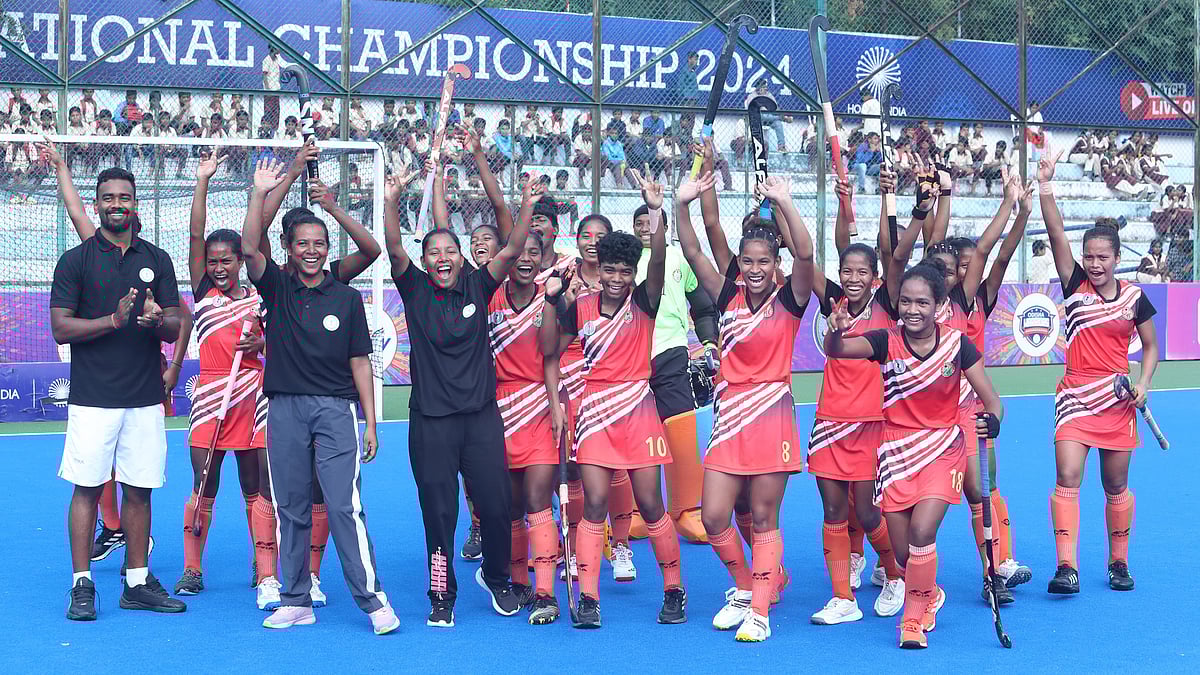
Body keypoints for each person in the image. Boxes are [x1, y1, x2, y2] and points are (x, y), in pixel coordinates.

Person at [240, 158, 398, 635]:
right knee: (290, 505)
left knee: (343, 505)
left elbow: (360, 363)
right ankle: (295, 598)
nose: (311, 251)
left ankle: (372, 602)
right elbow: (249, 246)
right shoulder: (278, 286)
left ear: (329, 249)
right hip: (284, 407)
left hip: (335, 410)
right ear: (288, 249)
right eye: (302, 244)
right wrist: (261, 191)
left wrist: (371, 422)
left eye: (319, 244)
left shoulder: (346, 297)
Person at [384, 125, 532, 628]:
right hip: (431, 424)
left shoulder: (477, 283)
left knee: (496, 504)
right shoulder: (415, 289)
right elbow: (392, 248)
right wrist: (391, 200)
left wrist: (522, 199)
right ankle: (440, 592)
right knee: (439, 515)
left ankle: (496, 576)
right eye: (434, 254)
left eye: (449, 251)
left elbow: (512, 247)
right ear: (424, 263)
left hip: (481, 420)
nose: (442, 259)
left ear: (460, 257)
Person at [824, 259, 1005, 649]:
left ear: (939, 305)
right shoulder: (883, 340)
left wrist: (992, 422)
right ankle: (930, 594)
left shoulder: (958, 345)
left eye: (922, 303)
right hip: (895, 453)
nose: (912, 310)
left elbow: (991, 402)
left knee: (924, 531)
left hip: (942, 449)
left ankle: (911, 621)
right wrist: (835, 333)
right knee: (905, 552)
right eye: (905, 302)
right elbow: (838, 351)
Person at [542, 172, 686, 629]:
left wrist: (658, 214)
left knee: (651, 503)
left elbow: (658, 259)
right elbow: (549, 349)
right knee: (596, 504)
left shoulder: (644, 300)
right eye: (611, 270)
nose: (618, 278)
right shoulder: (578, 306)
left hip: (639, 413)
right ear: (598, 268)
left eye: (626, 270)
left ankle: (674, 589)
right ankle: (588, 598)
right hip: (594, 414)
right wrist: (550, 301)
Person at [675, 172, 812, 642]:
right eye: (748, 261)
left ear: (776, 264)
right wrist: (681, 205)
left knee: (764, 515)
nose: (755, 269)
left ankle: (759, 611)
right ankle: (746, 584)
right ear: (740, 263)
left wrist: (786, 201)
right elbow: (694, 249)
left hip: (772, 418)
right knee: (715, 516)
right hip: (730, 418)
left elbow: (808, 255)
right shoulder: (727, 296)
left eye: (764, 262)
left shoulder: (791, 301)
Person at [52, 166, 186, 621]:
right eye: (108, 197)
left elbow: (175, 322)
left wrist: (155, 322)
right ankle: (82, 584)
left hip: (145, 398)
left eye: (123, 197)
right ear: (97, 204)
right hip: (92, 399)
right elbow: (60, 328)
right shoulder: (76, 260)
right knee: (86, 489)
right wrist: (112, 320)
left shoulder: (157, 258)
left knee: (140, 490)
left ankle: (136, 581)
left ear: (135, 203)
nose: (116, 204)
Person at [1038, 140, 1159, 595]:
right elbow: (1055, 236)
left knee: (1116, 485)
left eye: (1102, 257)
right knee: (1067, 477)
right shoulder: (1075, 287)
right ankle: (1066, 566)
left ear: (1116, 257)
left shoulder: (1133, 298)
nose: (1094, 263)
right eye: (1089, 256)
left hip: (1117, 399)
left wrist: (1143, 384)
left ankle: (1118, 563)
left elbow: (1150, 347)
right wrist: (1046, 187)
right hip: (1074, 398)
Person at [804, 173, 906, 625]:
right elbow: (809, 256)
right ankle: (843, 597)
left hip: (871, 424)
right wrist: (842, 206)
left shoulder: (887, 302)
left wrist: (887, 197)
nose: (853, 278)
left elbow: (892, 252)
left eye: (862, 272)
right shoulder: (833, 303)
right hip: (830, 422)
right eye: (847, 271)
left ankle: (896, 570)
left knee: (866, 511)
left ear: (876, 278)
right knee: (833, 509)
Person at [172, 152, 268, 598]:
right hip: (211, 396)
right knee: (203, 484)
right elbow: (195, 233)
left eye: (227, 260)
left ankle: (262, 563)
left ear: (241, 262)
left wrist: (262, 345)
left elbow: (280, 344)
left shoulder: (259, 297)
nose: (219, 267)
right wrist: (202, 181)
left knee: (256, 486)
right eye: (213, 260)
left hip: (252, 396)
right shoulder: (203, 293)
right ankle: (193, 569)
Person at [943, 170, 1037, 599]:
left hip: (971, 411)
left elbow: (998, 255)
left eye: (967, 267)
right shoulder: (928, 305)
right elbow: (983, 249)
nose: (964, 273)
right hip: (930, 414)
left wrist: (1022, 210)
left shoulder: (978, 298)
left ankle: (996, 569)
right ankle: (894, 568)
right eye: (955, 268)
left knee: (985, 489)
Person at [487, 225, 563, 624]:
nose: (526, 260)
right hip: (497, 411)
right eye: (519, 253)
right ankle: (518, 582)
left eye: (534, 253)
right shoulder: (488, 298)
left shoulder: (551, 298)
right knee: (510, 504)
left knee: (537, 500)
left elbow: (551, 355)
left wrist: (555, 406)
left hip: (537, 407)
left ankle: (546, 591)